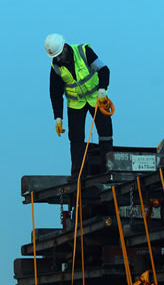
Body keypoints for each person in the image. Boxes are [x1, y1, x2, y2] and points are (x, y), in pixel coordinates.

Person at [45, 33, 113, 177]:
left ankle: (108, 168)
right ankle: (78, 174)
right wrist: (58, 117)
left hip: (97, 99)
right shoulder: (56, 67)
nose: (57, 59)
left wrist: (102, 91)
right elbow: (55, 93)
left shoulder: (83, 52)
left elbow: (104, 70)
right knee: (76, 139)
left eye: (58, 55)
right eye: (54, 57)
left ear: (64, 47)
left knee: (105, 134)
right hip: (76, 104)